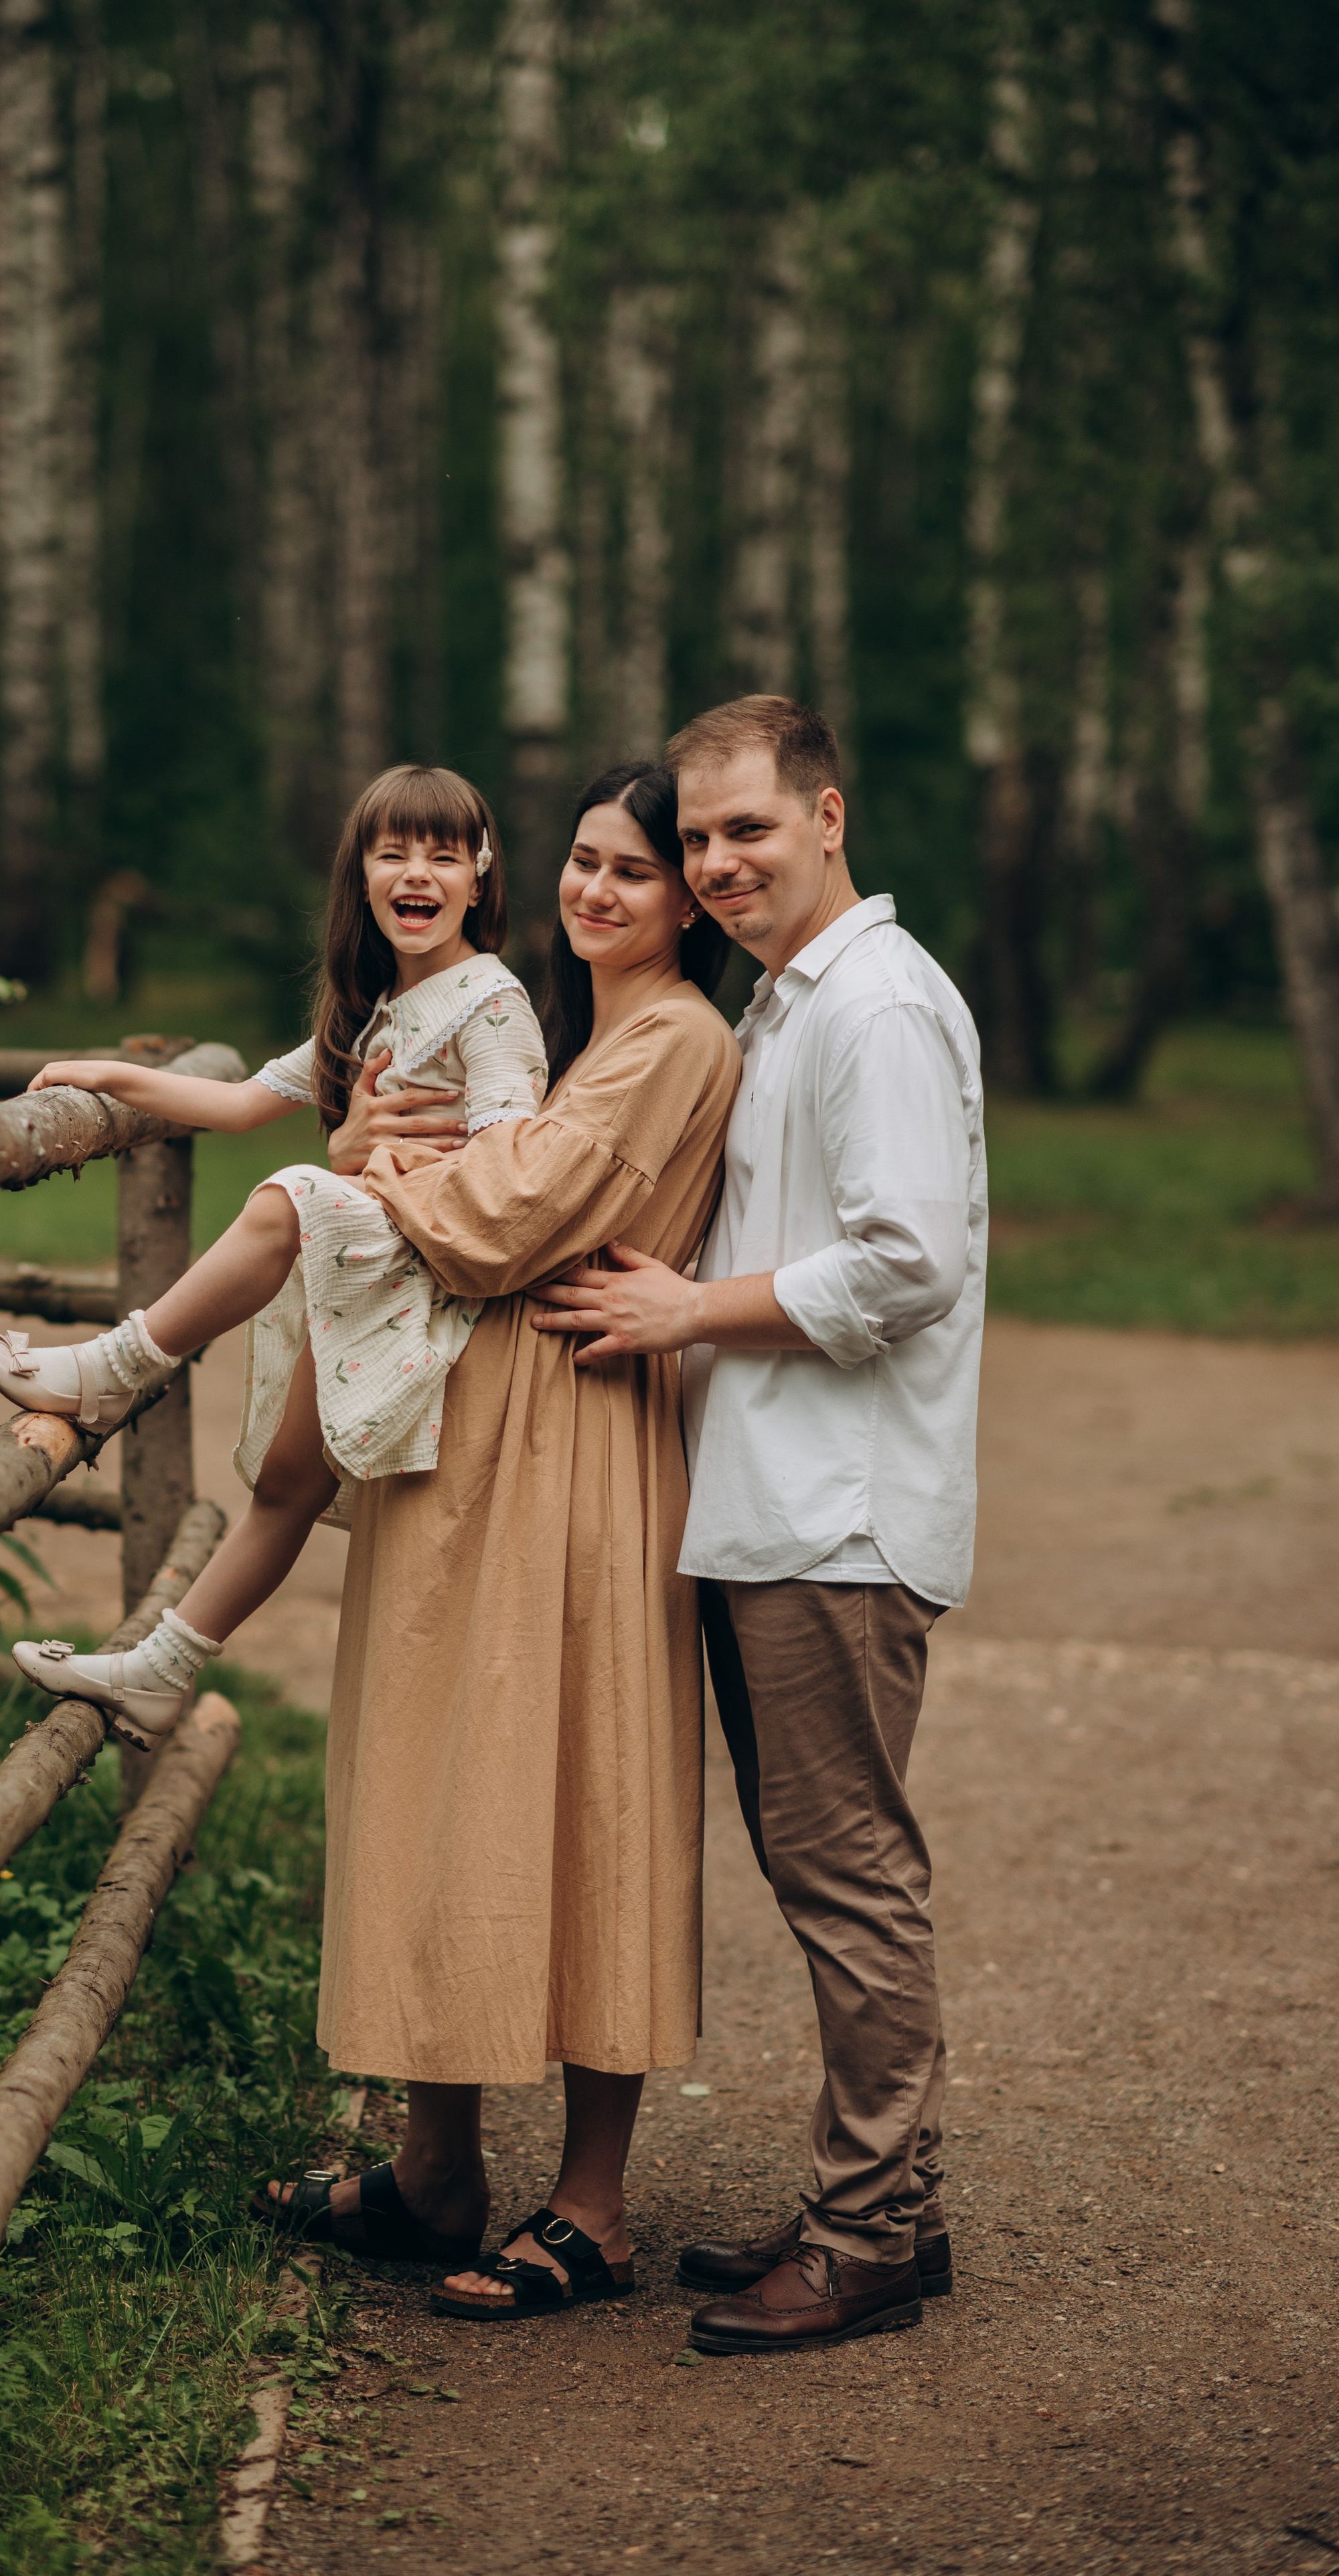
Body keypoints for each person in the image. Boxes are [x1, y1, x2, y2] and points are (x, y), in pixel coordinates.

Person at [532, 696, 986, 2354]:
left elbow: (904, 1261)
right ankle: (892, 2211)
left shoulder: (870, 1004)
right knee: (826, 1872)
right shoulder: (796, 1002)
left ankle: (865, 2237)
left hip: (835, 1516)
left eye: (746, 832)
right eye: (700, 840)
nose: (717, 864)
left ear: (826, 817)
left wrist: (689, 1311)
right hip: (776, 1505)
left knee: (847, 1878)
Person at [261, 761, 739, 2309]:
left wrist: (370, 1163)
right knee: (440, 1777)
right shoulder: (579, 1025)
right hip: (475, 1444)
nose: (598, 892)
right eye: (585, 863)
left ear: (688, 902)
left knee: (587, 1783)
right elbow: (484, 1188)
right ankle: (432, 2170)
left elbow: (505, 1215)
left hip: (580, 1446)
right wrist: (386, 1156)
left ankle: (591, 2208)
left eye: (636, 872)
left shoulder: (673, 1036)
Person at [0, 763, 546, 1751]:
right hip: (373, 1266)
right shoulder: (375, 1009)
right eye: (394, 852)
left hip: (429, 1280)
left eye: (443, 855)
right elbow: (243, 1101)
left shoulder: (490, 1003)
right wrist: (106, 1072)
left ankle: (118, 1370)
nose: (418, 873)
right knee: (286, 1487)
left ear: (480, 875)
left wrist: (390, 1161)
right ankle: (163, 1672)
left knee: (291, 1195)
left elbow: (513, 1157)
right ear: (361, 874)